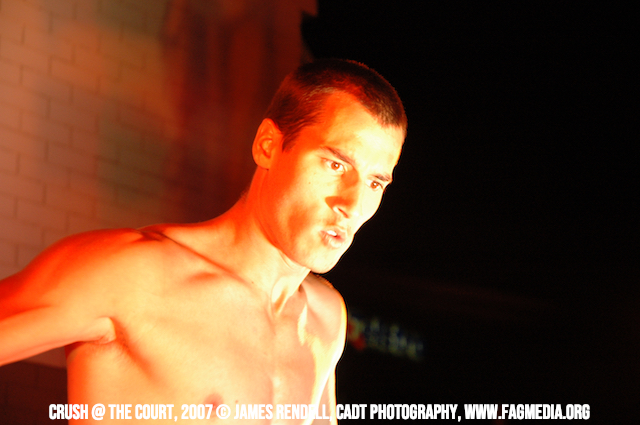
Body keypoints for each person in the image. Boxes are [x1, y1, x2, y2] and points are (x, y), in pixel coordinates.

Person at [0, 59, 407, 423]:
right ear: (268, 146)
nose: (353, 205)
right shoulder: (131, 275)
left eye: (375, 183)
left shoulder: (325, 319)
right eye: (335, 164)